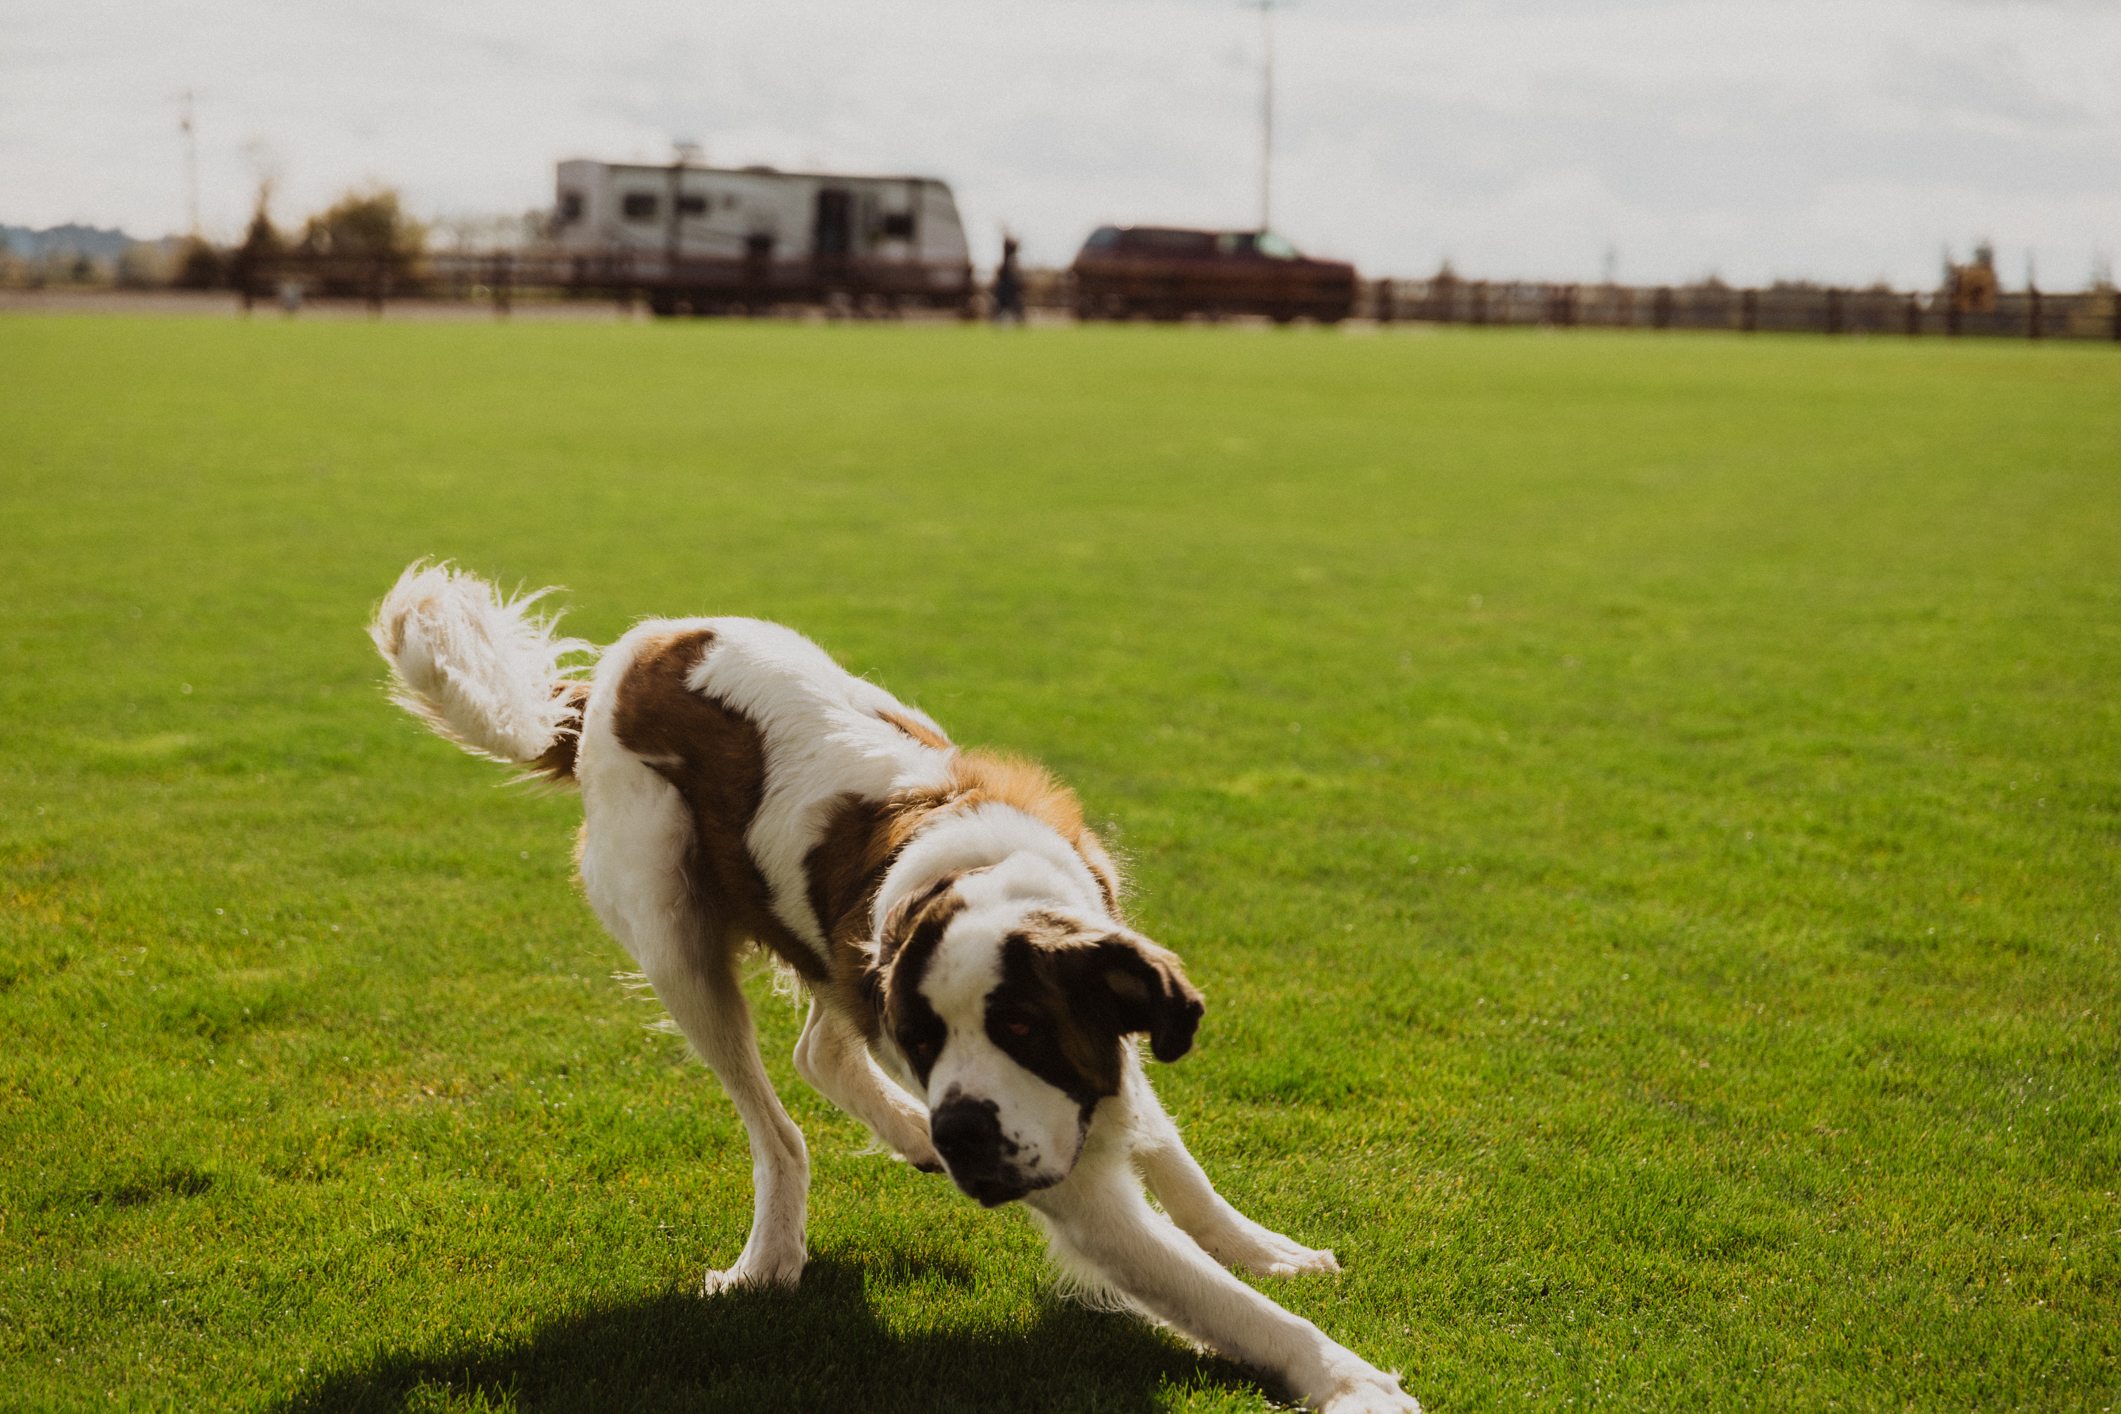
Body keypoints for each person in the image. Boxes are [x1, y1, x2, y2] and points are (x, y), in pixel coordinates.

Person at [991, 235, 1025, 325]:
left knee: (1013, 305)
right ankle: (999, 321)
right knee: (1002, 306)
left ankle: (1019, 321)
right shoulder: (1008, 262)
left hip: (1009, 288)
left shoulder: (1011, 261)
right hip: (1006, 288)